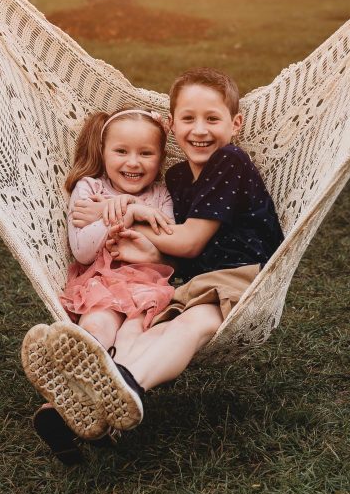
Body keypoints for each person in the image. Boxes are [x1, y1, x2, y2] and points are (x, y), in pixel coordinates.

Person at [23, 67, 284, 446]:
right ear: (171, 124)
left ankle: (128, 385)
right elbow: (168, 240)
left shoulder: (230, 161)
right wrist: (143, 234)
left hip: (243, 277)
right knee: (142, 334)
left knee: (183, 329)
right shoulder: (176, 179)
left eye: (213, 118)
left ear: (236, 123)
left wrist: (118, 215)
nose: (200, 130)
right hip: (195, 284)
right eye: (189, 118)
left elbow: (189, 241)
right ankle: (85, 408)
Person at [24, 108, 177, 463]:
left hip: (147, 286)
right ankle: (67, 403)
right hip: (101, 282)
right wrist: (127, 213)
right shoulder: (89, 187)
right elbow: (83, 249)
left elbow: (165, 249)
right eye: (121, 152)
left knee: (133, 335)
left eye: (146, 153)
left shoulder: (163, 194)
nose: (133, 163)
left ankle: (102, 412)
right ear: (103, 151)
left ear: (161, 158)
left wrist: (122, 209)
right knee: (96, 328)